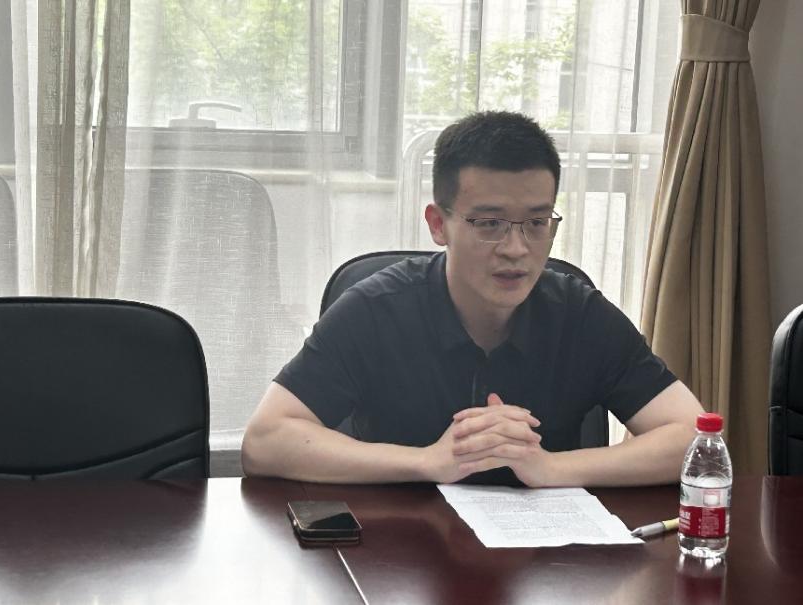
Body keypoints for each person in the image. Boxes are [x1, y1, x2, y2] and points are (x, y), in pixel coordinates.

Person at [242, 110, 703, 487]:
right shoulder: (376, 308)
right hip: (397, 549)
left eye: (536, 223)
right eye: (489, 224)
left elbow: (693, 438)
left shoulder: (578, 313)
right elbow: (265, 441)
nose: (516, 249)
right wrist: (430, 461)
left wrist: (550, 468)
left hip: (546, 555)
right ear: (438, 224)